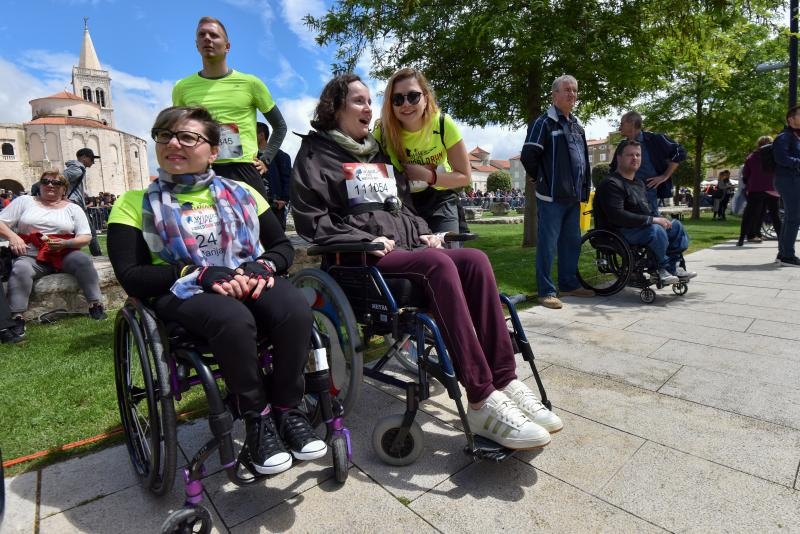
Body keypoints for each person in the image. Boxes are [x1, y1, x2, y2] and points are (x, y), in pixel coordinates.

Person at [291, 74, 562, 451]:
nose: (369, 108)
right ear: (335, 108)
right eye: (358, 101)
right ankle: (481, 399)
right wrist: (364, 241)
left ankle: (505, 379)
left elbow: (402, 206)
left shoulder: (377, 154)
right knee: (439, 265)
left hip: (407, 248)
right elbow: (312, 221)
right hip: (362, 260)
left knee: (474, 260)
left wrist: (426, 232)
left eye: (370, 100)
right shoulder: (315, 155)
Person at [107, 106, 324, 475]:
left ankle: (288, 409)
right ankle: (257, 418)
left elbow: (281, 247)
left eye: (187, 137)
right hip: (182, 292)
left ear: (212, 151)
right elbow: (131, 275)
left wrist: (260, 266)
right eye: (165, 135)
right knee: (232, 318)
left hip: (246, 279)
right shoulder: (133, 203)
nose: (173, 143)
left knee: (294, 309)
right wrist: (195, 272)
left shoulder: (244, 193)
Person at [172, 16, 286, 203]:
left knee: (261, 223)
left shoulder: (251, 83)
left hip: (244, 171)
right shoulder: (182, 88)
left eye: (214, 35)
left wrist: (266, 159)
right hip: (201, 172)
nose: (207, 38)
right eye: (202, 35)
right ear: (196, 45)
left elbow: (280, 126)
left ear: (227, 46)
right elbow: (178, 132)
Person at [0, 170, 106, 341]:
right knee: (20, 269)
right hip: (31, 254)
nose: (50, 185)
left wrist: (66, 243)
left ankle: (95, 304)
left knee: (83, 260)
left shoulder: (73, 208)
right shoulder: (25, 201)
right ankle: (17, 316)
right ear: (39, 185)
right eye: (45, 182)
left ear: (64, 189)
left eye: (56, 183)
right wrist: (13, 237)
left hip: (64, 253)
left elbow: (86, 237)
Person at [521, 74, 594, 310]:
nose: (572, 94)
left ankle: (569, 284)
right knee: (548, 244)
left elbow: (582, 160)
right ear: (554, 95)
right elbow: (528, 154)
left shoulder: (576, 125)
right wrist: (540, 178)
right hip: (551, 196)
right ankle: (546, 291)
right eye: (567, 90)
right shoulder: (543, 122)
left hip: (573, 196)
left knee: (571, 242)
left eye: (575, 90)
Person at [374, 67, 471, 238]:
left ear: (426, 99)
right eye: (397, 99)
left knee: (445, 249)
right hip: (403, 202)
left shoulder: (443, 123)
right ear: (390, 104)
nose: (406, 104)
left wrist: (428, 176)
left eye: (413, 96)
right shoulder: (382, 132)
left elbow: (464, 177)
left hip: (440, 198)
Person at [594, 141, 696, 283]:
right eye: (630, 155)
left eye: (638, 155)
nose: (635, 158)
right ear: (619, 158)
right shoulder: (611, 183)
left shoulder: (639, 183)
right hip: (617, 231)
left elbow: (645, 210)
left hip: (639, 227)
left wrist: (659, 219)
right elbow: (617, 216)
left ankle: (674, 266)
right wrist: (652, 220)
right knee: (655, 230)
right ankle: (661, 268)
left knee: (675, 226)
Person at [611, 110, 686, 216]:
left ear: (631, 124)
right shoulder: (622, 145)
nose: (619, 128)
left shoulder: (654, 139)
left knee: (651, 223)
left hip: (648, 197)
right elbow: (614, 170)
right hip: (626, 196)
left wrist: (665, 176)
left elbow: (679, 151)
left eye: (622, 124)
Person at [739, 136, 782, 246]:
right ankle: (782, 239)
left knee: (749, 214)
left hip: (755, 188)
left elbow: (746, 173)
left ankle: (741, 239)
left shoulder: (752, 156)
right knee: (775, 215)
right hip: (772, 188)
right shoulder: (776, 155)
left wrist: (747, 182)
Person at [772, 107, 800, 266]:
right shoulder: (784, 137)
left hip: (792, 180)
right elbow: (781, 158)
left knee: (791, 217)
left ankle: (782, 254)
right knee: (794, 217)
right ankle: (787, 256)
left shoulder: (795, 137)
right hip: (788, 180)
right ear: (791, 119)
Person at [64, 148, 103, 256]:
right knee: (90, 232)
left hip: (74, 203)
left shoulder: (77, 169)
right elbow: (59, 180)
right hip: (75, 203)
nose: (93, 162)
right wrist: (64, 197)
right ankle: (97, 255)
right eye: (91, 159)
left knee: (79, 232)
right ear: (84, 157)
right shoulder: (77, 170)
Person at [256, 122, 291, 230]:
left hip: (275, 205)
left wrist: (284, 199)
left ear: (261, 135)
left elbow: (287, 179)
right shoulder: (249, 157)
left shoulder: (281, 156)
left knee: (276, 235)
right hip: (255, 204)